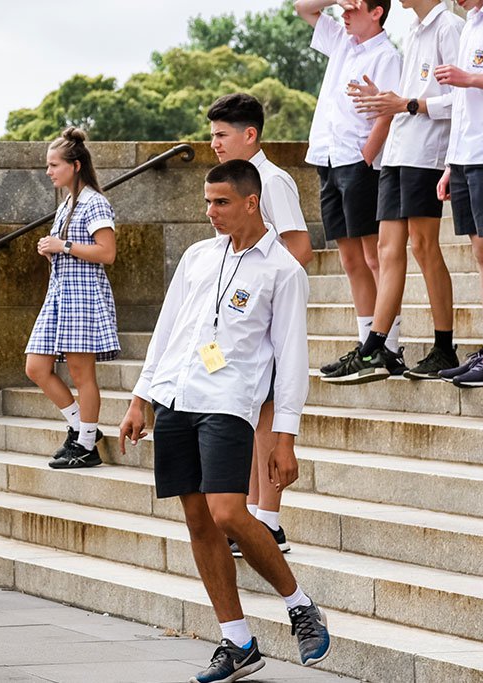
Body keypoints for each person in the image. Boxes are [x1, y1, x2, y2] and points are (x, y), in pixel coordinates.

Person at [121, 161, 328, 683]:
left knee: (230, 513)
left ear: (251, 202)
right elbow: (167, 329)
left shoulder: (283, 271)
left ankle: (300, 605)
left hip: (229, 403)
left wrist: (286, 437)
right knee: (196, 520)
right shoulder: (196, 256)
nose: (210, 212)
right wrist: (140, 398)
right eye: (207, 202)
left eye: (221, 203)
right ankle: (237, 641)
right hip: (175, 397)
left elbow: (292, 359)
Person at [332, 0, 465, 383]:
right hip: (397, 153)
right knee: (387, 251)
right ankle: (377, 347)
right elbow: (407, 98)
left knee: (424, 247)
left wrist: (406, 103)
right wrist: (387, 100)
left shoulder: (448, 27)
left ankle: (444, 346)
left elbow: (464, 99)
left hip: (426, 154)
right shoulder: (414, 29)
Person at [206, 93, 313, 557]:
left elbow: (299, 247)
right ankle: (250, 516)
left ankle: (269, 521)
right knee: (248, 415)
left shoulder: (274, 181)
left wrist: (257, 294)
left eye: (221, 134)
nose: (213, 143)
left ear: (250, 134)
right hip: (234, 319)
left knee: (268, 414)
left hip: (265, 315)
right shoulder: (230, 183)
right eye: (211, 134)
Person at [297, 0, 404, 376]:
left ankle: (389, 345)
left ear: (376, 12)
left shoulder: (387, 54)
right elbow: (303, 8)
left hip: (359, 162)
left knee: (374, 256)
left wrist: (367, 154)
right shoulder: (341, 39)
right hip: (326, 157)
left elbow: (389, 109)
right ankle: (365, 344)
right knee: (349, 258)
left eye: (354, 6)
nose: (345, 13)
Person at [23, 127, 120, 469]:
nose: (48, 171)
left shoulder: (94, 201)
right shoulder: (67, 203)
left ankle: (85, 444)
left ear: (75, 165)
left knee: (82, 375)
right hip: (61, 295)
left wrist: (62, 246)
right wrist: (52, 250)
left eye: (54, 165)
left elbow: (107, 252)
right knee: (36, 366)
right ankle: (82, 430)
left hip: (82, 296)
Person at [436, 0, 483, 386]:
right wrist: (451, 163)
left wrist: (468, 77)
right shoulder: (469, 23)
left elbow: (467, 85)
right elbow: (461, 106)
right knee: (480, 251)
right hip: (467, 154)